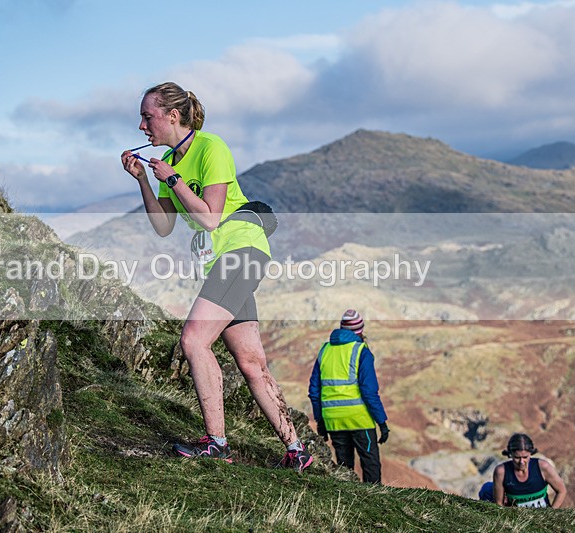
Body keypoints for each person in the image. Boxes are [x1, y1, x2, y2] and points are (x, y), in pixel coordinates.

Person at [120, 82, 312, 472]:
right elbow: (162, 227)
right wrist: (144, 179)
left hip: (241, 248)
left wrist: (172, 179)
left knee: (193, 339)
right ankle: (298, 451)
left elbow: (210, 217)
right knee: (251, 361)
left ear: (173, 116)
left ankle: (216, 442)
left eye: (147, 116)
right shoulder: (170, 161)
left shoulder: (212, 148)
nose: (142, 126)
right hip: (222, 260)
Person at [308, 309, 389, 483]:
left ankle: (346, 506)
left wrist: (320, 421)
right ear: (360, 331)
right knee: (370, 464)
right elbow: (369, 392)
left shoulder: (325, 350)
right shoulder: (361, 351)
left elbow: (314, 390)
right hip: (359, 419)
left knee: (344, 469)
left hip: (334, 420)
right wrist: (382, 422)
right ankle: (374, 504)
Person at [492, 433, 567, 508]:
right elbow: (499, 504)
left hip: (542, 515)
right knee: (487, 489)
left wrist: (551, 513)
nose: (521, 462)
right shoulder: (501, 472)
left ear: (531, 453)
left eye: (525, 457)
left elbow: (562, 490)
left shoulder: (543, 467)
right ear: (510, 454)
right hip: (516, 517)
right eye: (517, 457)